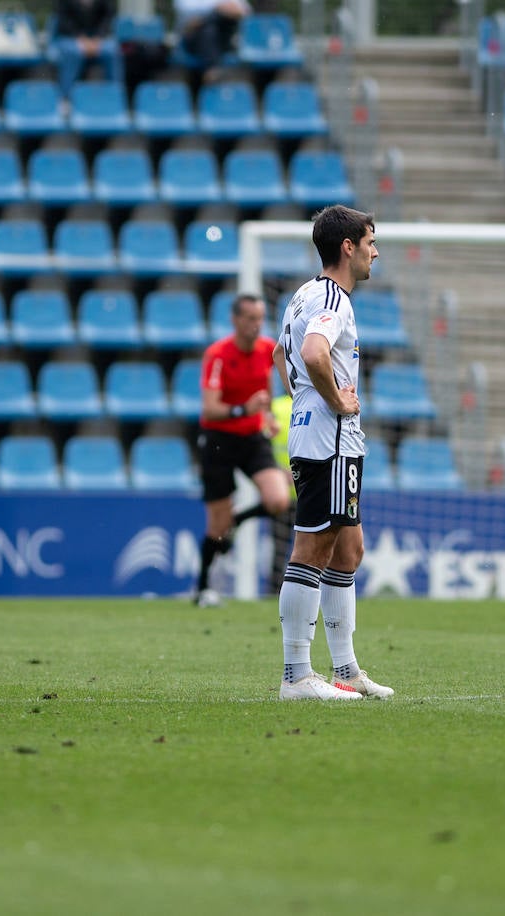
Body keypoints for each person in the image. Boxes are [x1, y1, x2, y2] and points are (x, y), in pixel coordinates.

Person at [270, 205, 392, 700]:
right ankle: (296, 675)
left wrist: (303, 400)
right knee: (314, 548)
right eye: (370, 241)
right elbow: (315, 354)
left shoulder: (302, 295)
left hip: (319, 434)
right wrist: (334, 399)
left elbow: (282, 354)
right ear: (348, 247)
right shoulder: (332, 298)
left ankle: (345, 670)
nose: (374, 252)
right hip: (329, 438)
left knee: (349, 549)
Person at [193, 293, 290, 607]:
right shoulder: (218, 354)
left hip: (251, 438)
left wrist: (268, 417)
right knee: (216, 526)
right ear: (235, 320)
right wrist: (243, 409)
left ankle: (239, 519)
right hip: (219, 439)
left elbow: (266, 393)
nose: (256, 324)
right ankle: (203, 586)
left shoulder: (266, 350)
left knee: (278, 498)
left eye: (260, 318)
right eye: (250, 318)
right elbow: (209, 409)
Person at [52, 0, 122, 99]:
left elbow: (108, 19)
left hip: (98, 39)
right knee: (73, 52)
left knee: (112, 50)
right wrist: (81, 40)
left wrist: (97, 39)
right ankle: (65, 98)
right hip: (70, 38)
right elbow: (63, 22)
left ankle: (115, 97)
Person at [265, 390, 297, 594]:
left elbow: (261, 446)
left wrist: (276, 471)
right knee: (314, 548)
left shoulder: (274, 408)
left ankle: (274, 590)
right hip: (306, 492)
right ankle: (315, 592)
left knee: (280, 547)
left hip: (281, 490)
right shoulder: (318, 405)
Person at [175, 0, 250, 71]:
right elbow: (188, 20)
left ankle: (212, 68)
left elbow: (243, 12)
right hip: (194, 38)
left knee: (211, 26)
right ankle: (213, 68)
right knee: (208, 29)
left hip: (220, 37)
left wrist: (225, 10)